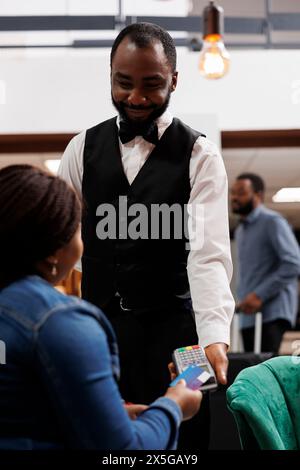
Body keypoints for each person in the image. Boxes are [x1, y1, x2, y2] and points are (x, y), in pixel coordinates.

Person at [59, 22, 234, 448]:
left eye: (152, 85)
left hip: (180, 339)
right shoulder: (81, 149)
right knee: (104, 440)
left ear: (174, 80)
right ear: (110, 76)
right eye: (124, 83)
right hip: (99, 336)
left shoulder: (201, 156)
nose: (136, 98)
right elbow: (60, 244)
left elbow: (208, 256)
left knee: (184, 440)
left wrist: (214, 337)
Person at [0, 164, 202, 450]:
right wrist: (174, 406)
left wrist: (111, 415)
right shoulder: (61, 322)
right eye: (80, 228)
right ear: (55, 252)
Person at [231, 173, 300, 353]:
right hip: (247, 316)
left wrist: (259, 295)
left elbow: (293, 263)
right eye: (233, 193)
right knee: (249, 369)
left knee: (266, 371)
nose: (235, 197)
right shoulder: (240, 231)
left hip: (272, 314)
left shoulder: (272, 222)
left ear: (258, 195)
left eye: (241, 193)